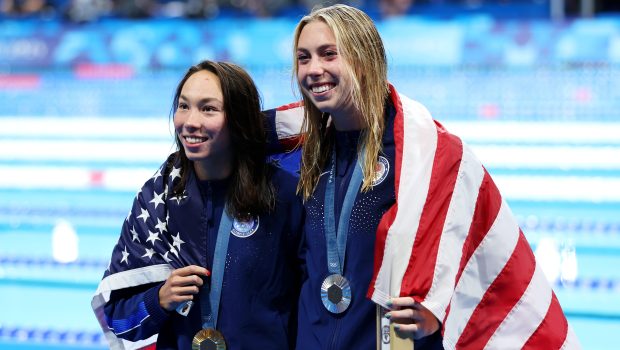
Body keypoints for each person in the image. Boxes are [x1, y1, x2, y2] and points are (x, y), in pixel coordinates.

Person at [272, 4, 580, 349]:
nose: (314, 69)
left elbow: (469, 248)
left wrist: (438, 307)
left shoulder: (424, 155)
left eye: (329, 55)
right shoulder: (303, 154)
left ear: (363, 59)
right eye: (304, 58)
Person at [91, 60, 304, 349]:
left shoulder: (282, 193)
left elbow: (311, 302)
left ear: (238, 119)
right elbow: (117, 320)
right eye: (183, 106)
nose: (190, 122)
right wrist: (159, 300)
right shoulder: (158, 199)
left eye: (208, 108)